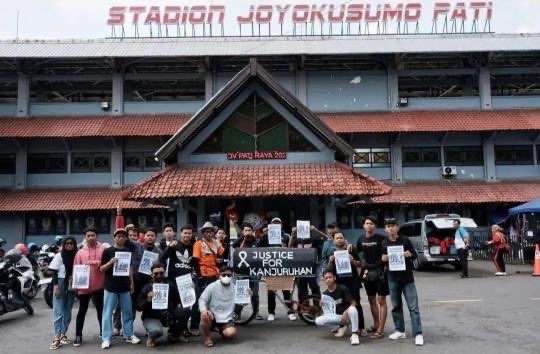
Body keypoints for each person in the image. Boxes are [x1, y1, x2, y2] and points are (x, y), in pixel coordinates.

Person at [381, 218, 423, 346]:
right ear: (385, 229)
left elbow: (415, 255)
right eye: (388, 226)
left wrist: (409, 254)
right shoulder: (384, 243)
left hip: (407, 278)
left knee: (413, 307)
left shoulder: (405, 240)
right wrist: (383, 258)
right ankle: (399, 330)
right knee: (396, 306)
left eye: (393, 226)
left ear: (397, 228)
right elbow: (382, 258)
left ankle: (418, 333)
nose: (391, 228)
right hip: (392, 278)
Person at [100, 228, 141, 349]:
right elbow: (101, 269)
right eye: (118, 236)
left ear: (126, 238)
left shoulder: (128, 251)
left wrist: (131, 283)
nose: (121, 238)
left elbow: (130, 268)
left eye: (123, 236)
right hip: (110, 286)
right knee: (107, 313)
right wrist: (110, 262)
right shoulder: (107, 251)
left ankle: (128, 334)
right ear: (114, 238)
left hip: (124, 286)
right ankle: (106, 338)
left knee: (127, 312)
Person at [137, 263, 191, 348]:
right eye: (156, 273)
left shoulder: (169, 284)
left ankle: (174, 334)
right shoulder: (147, 287)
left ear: (165, 273)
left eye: (161, 273)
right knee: (156, 331)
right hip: (151, 317)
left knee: (185, 311)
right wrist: (147, 300)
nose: (159, 275)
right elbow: (138, 307)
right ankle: (151, 336)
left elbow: (179, 299)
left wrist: (189, 289)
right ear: (151, 274)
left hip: (166, 314)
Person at [160, 224, 198, 335]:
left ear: (192, 234)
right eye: (185, 233)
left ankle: (184, 328)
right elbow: (162, 258)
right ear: (181, 233)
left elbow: (195, 266)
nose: (187, 235)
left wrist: (194, 279)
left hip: (186, 283)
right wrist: (169, 247)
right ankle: (172, 330)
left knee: (186, 308)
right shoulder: (174, 245)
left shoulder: (194, 247)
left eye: (189, 233)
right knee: (173, 307)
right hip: (173, 282)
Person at [73, 227, 107, 347]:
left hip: (99, 285)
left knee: (101, 311)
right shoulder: (80, 252)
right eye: (88, 235)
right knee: (82, 311)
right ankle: (78, 335)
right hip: (84, 287)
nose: (91, 237)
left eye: (93, 235)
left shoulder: (104, 249)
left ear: (97, 236)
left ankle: (104, 333)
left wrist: (95, 263)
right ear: (85, 237)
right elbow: (76, 268)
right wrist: (76, 286)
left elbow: (107, 264)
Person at [327, 232, 365, 337]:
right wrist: (330, 261)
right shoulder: (332, 252)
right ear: (334, 240)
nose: (339, 240)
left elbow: (360, 264)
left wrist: (352, 261)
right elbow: (329, 269)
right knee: (341, 304)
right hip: (339, 282)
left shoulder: (351, 249)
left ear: (344, 239)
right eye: (337, 238)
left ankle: (361, 327)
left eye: (341, 238)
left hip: (352, 281)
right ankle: (342, 326)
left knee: (356, 303)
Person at [357, 216, 388, 339]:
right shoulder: (360, 239)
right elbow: (358, 254)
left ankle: (381, 329)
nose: (368, 225)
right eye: (366, 223)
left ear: (375, 226)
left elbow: (387, 254)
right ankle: (376, 324)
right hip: (367, 273)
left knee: (381, 300)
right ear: (364, 226)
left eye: (371, 223)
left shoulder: (382, 239)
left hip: (380, 273)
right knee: (371, 300)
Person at [258, 220, 296, 322]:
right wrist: (264, 235)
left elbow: (291, 249)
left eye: (278, 223)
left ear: (281, 225)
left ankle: (290, 312)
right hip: (271, 267)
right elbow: (260, 247)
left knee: (286, 291)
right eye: (274, 223)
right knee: (271, 291)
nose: (276, 225)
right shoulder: (267, 236)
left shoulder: (286, 236)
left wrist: (285, 246)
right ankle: (271, 313)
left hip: (283, 267)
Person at [192, 222, 225, 334]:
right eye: (206, 231)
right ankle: (194, 325)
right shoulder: (198, 244)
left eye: (211, 231)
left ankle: (213, 325)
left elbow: (221, 256)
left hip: (214, 274)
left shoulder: (216, 243)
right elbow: (195, 261)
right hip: (202, 274)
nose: (209, 233)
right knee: (199, 299)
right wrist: (199, 276)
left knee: (214, 301)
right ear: (203, 233)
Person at [315, 270, 360, 346]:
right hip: (337, 318)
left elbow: (354, 303)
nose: (328, 279)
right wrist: (322, 306)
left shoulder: (342, 288)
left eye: (330, 277)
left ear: (334, 278)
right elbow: (327, 313)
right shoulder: (325, 294)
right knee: (318, 320)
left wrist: (345, 312)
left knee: (352, 309)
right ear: (324, 280)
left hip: (347, 316)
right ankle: (340, 326)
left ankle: (354, 334)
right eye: (326, 278)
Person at [199, 266, 240, 348]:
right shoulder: (212, 286)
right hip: (213, 315)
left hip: (227, 318)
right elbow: (202, 299)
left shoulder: (236, 288)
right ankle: (208, 338)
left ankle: (221, 330)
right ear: (219, 275)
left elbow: (241, 304)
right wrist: (204, 310)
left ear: (232, 276)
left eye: (229, 275)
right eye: (224, 275)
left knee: (230, 333)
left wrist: (247, 296)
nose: (226, 277)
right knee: (205, 316)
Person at [49, 237, 78, 350]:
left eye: (71, 243)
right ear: (64, 245)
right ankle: (56, 336)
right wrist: (55, 286)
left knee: (68, 311)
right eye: (67, 243)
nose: (69, 245)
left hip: (72, 283)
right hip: (61, 283)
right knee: (58, 311)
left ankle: (63, 333)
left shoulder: (77, 255)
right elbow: (54, 271)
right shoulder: (59, 255)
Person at [232, 222, 261, 321]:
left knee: (255, 294)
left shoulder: (256, 242)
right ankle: (237, 313)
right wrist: (243, 238)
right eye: (246, 230)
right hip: (241, 273)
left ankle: (256, 313)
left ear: (252, 232)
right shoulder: (240, 241)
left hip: (254, 272)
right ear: (243, 232)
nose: (248, 232)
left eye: (249, 230)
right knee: (241, 293)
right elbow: (233, 246)